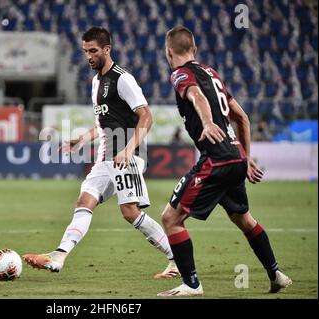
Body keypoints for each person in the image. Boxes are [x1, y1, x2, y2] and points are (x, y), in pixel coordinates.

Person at [23, 27, 179, 279]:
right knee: (84, 202)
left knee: (130, 212)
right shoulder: (96, 81)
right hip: (105, 158)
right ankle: (59, 256)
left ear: (107, 50)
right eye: (85, 51)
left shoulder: (123, 79)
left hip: (127, 156)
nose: (88, 56)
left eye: (93, 51)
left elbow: (146, 116)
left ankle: (176, 258)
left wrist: (128, 150)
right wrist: (82, 139)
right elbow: (104, 122)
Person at [157, 26, 292, 297]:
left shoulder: (180, 74)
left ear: (168, 51)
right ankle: (276, 274)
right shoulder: (213, 74)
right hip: (235, 158)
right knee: (244, 219)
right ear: (194, 49)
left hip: (216, 160)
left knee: (171, 218)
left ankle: (192, 284)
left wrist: (207, 122)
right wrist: (246, 156)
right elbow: (242, 117)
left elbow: (194, 95)